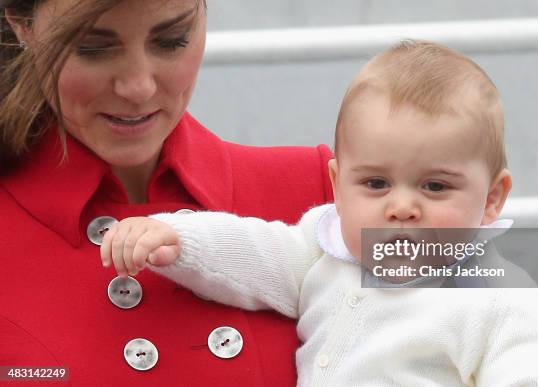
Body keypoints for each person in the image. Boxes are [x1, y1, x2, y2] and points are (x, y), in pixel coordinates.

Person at [102, 41, 538, 385]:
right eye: (375, 184)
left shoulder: (500, 297)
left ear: (492, 198)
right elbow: (256, 252)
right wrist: (176, 238)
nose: (402, 207)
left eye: (434, 186)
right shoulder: (324, 251)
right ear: (337, 186)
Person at [0, 0, 333, 385]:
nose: (138, 87)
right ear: (22, 24)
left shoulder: (339, 191)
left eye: (172, 41)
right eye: (92, 48)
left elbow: (420, 331)